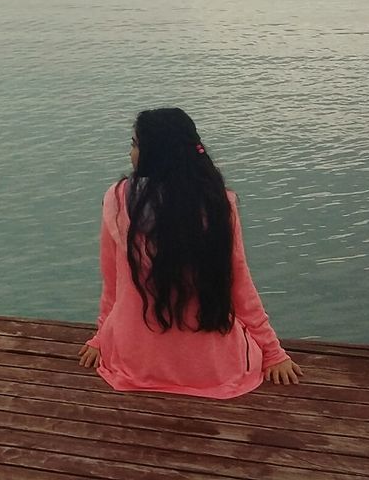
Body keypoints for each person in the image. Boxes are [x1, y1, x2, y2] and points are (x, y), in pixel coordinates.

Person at [77, 107, 302, 398]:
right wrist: (273, 353)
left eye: (134, 145)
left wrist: (101, 337)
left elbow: (113, 283)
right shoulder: (217, 204)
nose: (130, 154)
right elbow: (240, 285)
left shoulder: (118, 201)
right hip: (211, 369)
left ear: (154, 153)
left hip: (136, 363)